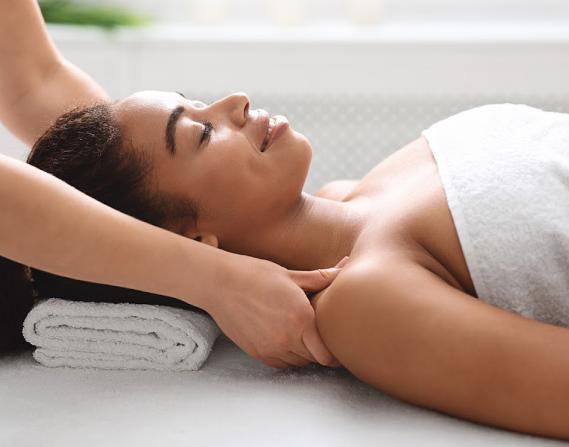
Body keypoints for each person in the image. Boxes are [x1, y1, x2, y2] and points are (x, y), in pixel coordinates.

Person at [0, 0, 347, 370]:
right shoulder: (362, 293)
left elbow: (37, 81)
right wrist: (218, 279)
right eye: (203, 133)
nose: (239, 100)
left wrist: (123, 171)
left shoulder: (351, 197)